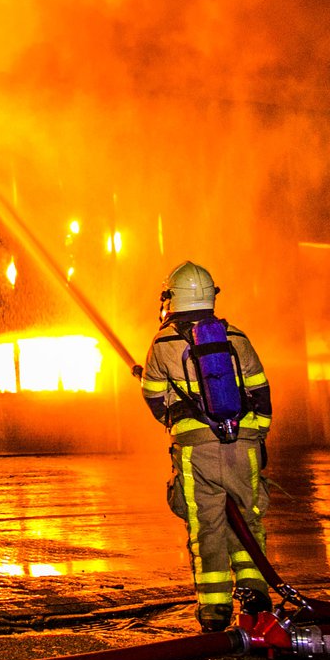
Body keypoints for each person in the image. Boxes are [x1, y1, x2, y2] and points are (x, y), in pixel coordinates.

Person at [139, 261, 272, 632]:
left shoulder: (164, 343)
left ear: (172, 298)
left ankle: (214, 611)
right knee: (248, 518)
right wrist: (256, 435)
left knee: (206, 525)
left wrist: (177, 422)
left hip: (197, 448)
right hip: (242, 442)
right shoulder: (237, 337)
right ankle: (256, 596)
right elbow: (260, 390)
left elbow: (153, 397)